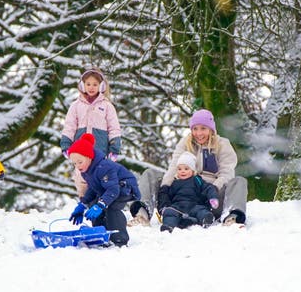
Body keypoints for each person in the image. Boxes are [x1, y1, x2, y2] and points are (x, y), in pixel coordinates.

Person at [129, 109, 248, 227]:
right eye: (195, 129)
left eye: (203, 129)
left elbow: (226, 172)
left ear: (211, 129)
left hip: (211, 198)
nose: (199, 133)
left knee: (239, 181)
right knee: (150, 174)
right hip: (183, 193)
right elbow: (173, 168)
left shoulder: (222, 144)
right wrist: (165, 188)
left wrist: (213, 189)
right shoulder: (185, 143)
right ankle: (141, 215)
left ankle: (233, 218)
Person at [67, 133, 140, 247]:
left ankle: (119, 239)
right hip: (110, 189)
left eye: (80, 162)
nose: (78, 166)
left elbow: (113, 190)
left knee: (111, 207)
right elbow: (93, 188)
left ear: (89, 157)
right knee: (94, 204)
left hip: (125, 187)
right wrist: (83, 204)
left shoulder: (104, 167)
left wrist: (101, 205)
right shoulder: (87, 171)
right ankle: (100, 235)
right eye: (74, 163)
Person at [60, 67, 122, 197]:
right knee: (81, 177)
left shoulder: (107, 106)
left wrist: (114, 148)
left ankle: (101, 202)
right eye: (88, 84)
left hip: (99, 150)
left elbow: (114, 128)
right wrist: (66, 145)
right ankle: (84, 200)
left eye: (95, 84)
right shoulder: (76, 105)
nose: (91, 87)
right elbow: (69, 126)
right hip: (80, 151)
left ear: (101, 86)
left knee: (100, 175)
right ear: (83, 85)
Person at [157, 151, 219, 232]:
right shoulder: (174, 183)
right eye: (179, 169)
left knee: (202, 211)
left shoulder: (197, 180)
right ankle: (168, 226)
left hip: (194, 205)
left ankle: (206, 220)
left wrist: (213, 198)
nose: (182, 171)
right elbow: (168, 195)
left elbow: (209, 188)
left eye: (186, 169)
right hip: (178, 206)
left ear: (193, 170)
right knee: (170, 212)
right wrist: (165, 206)